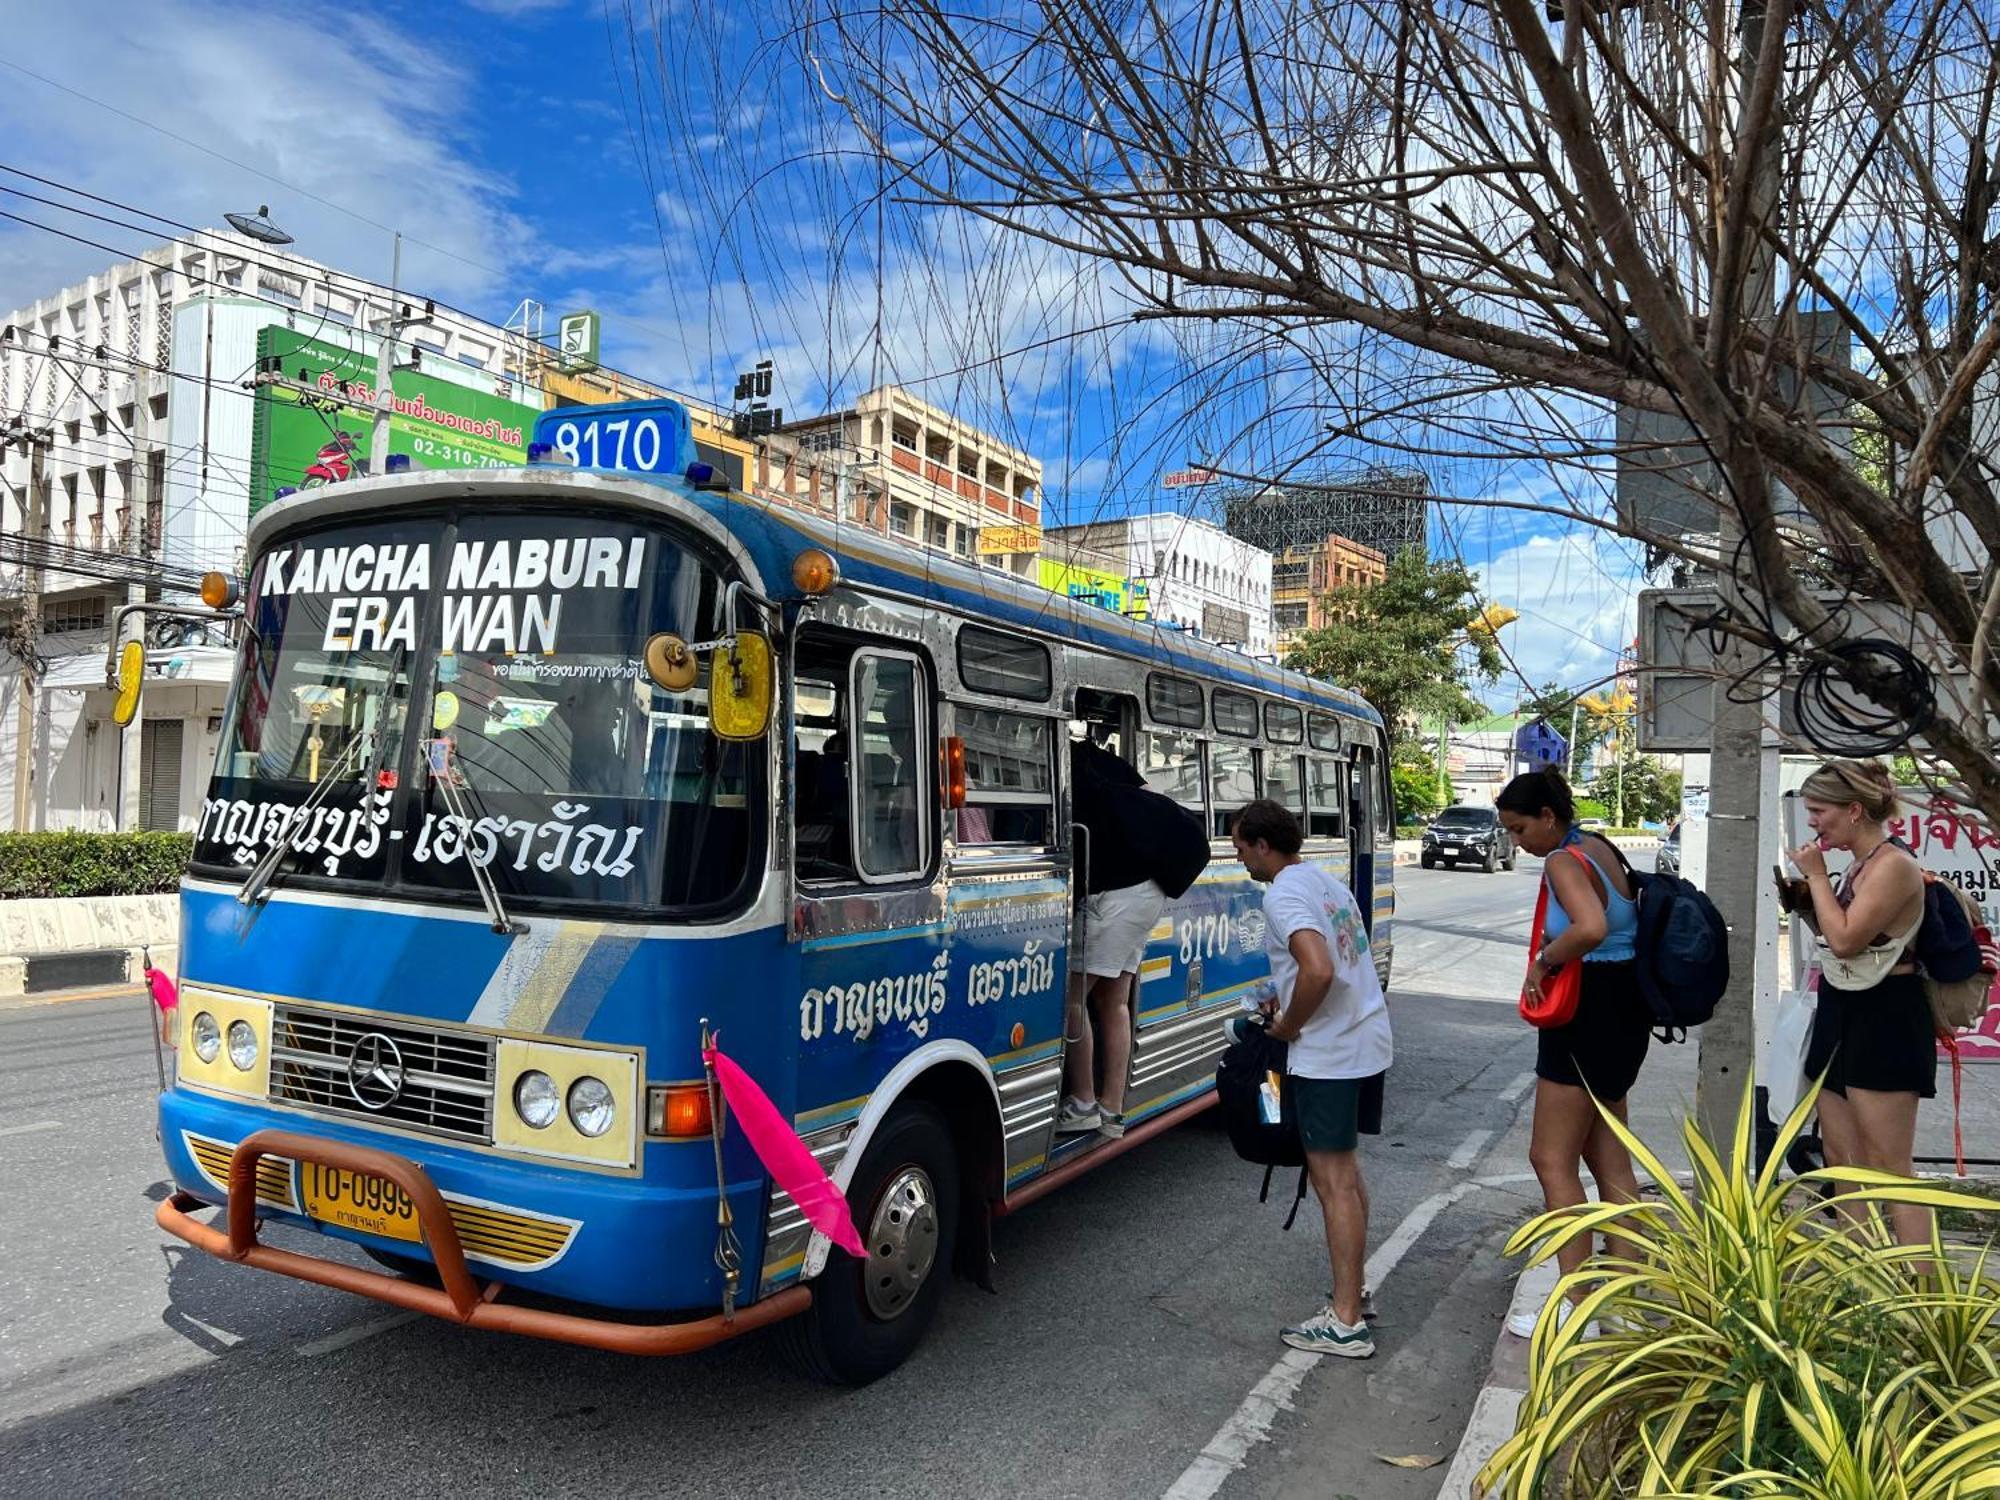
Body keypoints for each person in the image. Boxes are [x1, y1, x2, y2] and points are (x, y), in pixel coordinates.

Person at [1230, 799, 1392, 1359]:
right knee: (1345, 1174)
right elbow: (1330, 963)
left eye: (1240, 848)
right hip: (1364, 1038)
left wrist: (1288, 1024)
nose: (1239, 858)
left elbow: (1320, 969)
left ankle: (1345, 1322)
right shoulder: (1324, 880)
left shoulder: (1281, 894)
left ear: (1262, 845)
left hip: (1330, 1051)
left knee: (1333, 1182)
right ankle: (1356, 1294)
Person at [1494, 769, 1650, 1339]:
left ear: (1548, 818)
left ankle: (1574, 1304)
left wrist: (1544, 962)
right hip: (1623, 1009)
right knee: (1610, 1159)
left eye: (1519, 829)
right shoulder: (1600, 847)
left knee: (1549, 1159)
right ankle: (1622, 1300)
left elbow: (1589, 927)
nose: (1518, 843)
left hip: (1585, 1010)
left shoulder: (1563, 860)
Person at [1791, 758, 1934, 1253]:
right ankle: (1860, 1279)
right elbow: (1838, 935)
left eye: (1818, 810)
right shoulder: (1860, 863)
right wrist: (1811, 895)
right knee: (1842, 1156)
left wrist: (1815, 878)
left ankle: (1923, 1294)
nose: (1812, 822)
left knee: (1889, 1163)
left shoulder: (1894, 864)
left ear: (1854, 810)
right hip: (1843, 1006)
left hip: (1886, 1014)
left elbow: (1848, 939)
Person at [1057, 735, 1208, 1139]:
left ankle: (1085, 1102)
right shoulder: (1100, 760)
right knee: (1113, 1000)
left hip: (1117, 892)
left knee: (1072, 996)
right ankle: (1112, 1108)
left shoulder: (1061, 757)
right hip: (1147, 889)